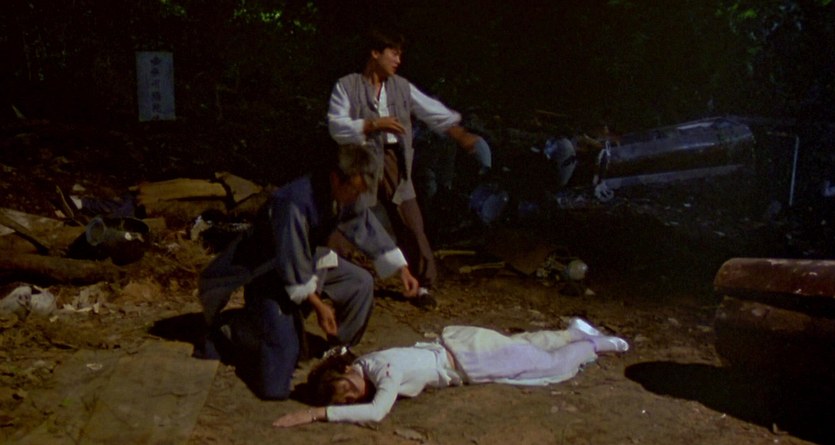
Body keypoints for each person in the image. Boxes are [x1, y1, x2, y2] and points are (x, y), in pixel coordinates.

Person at [197, 144, 419, 400]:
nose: (356, 196)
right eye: (354, 189)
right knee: (275, 387)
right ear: (336, 178)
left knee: (360, 283)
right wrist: (319, 305)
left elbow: (364, 226)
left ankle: (338, 348)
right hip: (268, 274)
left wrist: (401, 268)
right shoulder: (292, 202)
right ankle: (233, 328)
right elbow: (290, 260)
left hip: (310, 262)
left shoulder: (345, 193)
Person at [327, 28, 492, 306]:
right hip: (361, 158)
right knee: (348, 218)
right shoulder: (347, 86)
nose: (398, 60)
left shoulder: (401, 87)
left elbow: (430, 110)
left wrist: (461, 135)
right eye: (393, 54)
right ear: (375, 53)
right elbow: (336, 125)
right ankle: (326, 279)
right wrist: (372, 124)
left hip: (395, 160)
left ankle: (422, 285)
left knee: (411, 221)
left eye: (400, 55)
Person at [272, 318, 629, 426]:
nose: (355, 395)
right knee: (525, 346)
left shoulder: (383, 370)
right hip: (464, 346)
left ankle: (597, 344)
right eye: (349, 399)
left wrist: (319, 413)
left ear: (347, 368)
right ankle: (574, 332)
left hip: (470, 358)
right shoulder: (368, 363)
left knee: (545, 368)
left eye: (348, 387)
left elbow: (378, 412)